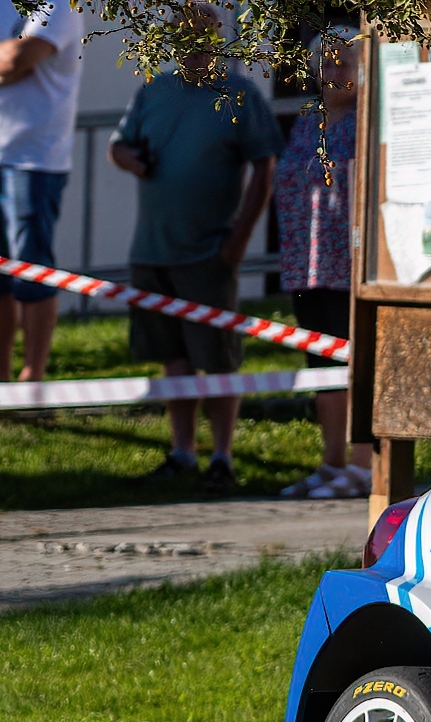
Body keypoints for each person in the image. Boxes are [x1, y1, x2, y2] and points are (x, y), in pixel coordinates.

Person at [108, 3, 278, 492]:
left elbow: (265, 165)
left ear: (218, 41)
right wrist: (128, 158)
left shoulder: (239, 95)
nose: (194, 48)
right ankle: (182, 451)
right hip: (152, 250)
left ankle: (222, 456)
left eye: (203, 37)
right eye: (184, 38)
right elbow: (118, 145)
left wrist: (238, 241)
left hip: (209, 253)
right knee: (174, 359)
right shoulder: (153, 90)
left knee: (218, 360)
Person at [274, 27, 365, 498]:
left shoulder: (367, 123)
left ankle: (363, 465)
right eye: (326, 63)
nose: (332, 71)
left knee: (356, 362)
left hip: (349, 265)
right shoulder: (309, 120)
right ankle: (331, 462)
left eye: (342, 62)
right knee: (321, 365)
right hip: (305, 263)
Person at [0, 0, 85, 382]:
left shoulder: (59, 4)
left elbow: (18, 58)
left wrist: (14, 60)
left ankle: (33, 382)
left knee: (32, 274)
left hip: (34, 160)